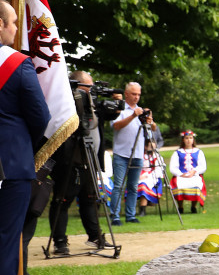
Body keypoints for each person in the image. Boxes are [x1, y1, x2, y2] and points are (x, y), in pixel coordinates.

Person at [0, 0, 49, 275]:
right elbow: (41, 117)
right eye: (13, 22)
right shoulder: (17, 64)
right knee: (5, 240)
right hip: (9, 166)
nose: (16, 28)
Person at [48, 70, 106, 253]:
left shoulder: (90, 103)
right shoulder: (66, 103)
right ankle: (59, 241)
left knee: (89, 199)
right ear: (76, 86)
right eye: (88, 87)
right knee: (62, 200)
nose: (91, 91)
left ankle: (96, 236)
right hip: (70, 161)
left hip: (89, 160)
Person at [109, 81, 154, 225]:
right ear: (126, 94)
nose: (136, 97)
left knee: (133, 187)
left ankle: (131, 215)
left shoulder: (140, 110)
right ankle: (115, 216)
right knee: (118, 186)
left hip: (137, 154)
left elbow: (152, 129)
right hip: (121, 154)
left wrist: (150, 122)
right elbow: (115, 126)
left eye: (139, 95)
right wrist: (133, 116)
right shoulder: (119, 109)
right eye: (134, 94)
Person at [169, 130, 207, 214]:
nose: (188, 140)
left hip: (194, 175)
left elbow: (203, 166)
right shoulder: (177, 153)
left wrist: (194, 171)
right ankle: (180, 207)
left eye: (190, 138)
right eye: (186, 138)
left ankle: (193, 207)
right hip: (181, 176)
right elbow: (173, 167)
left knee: (196, 184)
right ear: (183, 140)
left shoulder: (199, 152)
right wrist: (181, 174)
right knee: (179, 184)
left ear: (193, 140)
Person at [136, 139, 165, 217]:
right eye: (150, 147)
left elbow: (159, 171)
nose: (153, 149)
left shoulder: (157, 157)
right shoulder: (139, 156)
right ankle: (141, 208)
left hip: (153, 178)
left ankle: (143, 208)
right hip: (139, 177)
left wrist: (148, 176)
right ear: (145, 147)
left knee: (144, 185)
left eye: (154, 147)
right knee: (141, 183)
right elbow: (135, 168)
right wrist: (139, 176)